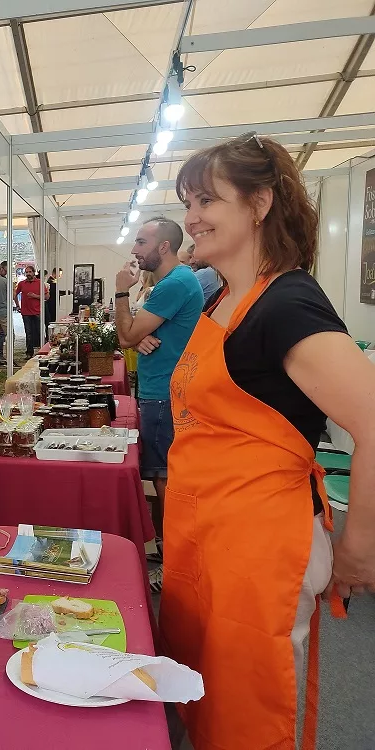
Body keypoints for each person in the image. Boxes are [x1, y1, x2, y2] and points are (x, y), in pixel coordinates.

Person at [161, 134, 375, 750]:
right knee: (201, 708)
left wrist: (358, 546)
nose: (192, 217)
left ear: (259, 203)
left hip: (259, 555)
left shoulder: (287, 302)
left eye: (207, 200)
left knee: (248, 721)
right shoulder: (223, 300)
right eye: (188, 202)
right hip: (205, 543)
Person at [114, 217, 203, 594]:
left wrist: (121, 294)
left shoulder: (176, 282)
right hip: (160, 389)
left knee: (167, 481)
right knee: (161, 476)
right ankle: (170, 554)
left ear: (163, 247)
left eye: (141, 241)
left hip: (167, 395)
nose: (134, 250)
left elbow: (127, 333)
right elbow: (135, 335)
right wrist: (140, 336)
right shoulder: (172, 283)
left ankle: (175, 566)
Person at [14, 264, 43, 358]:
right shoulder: (22, 284)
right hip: (26, 312)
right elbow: (14, 294)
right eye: (27, 272)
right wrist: (18, 306)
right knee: (28, 332)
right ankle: (29, 352)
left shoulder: (40, 283)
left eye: (30, 272)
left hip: (37, 311)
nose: (28, 274)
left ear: (34, 273)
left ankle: (41, 351)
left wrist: (35, 296)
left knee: (39, 331)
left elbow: (46, 297)